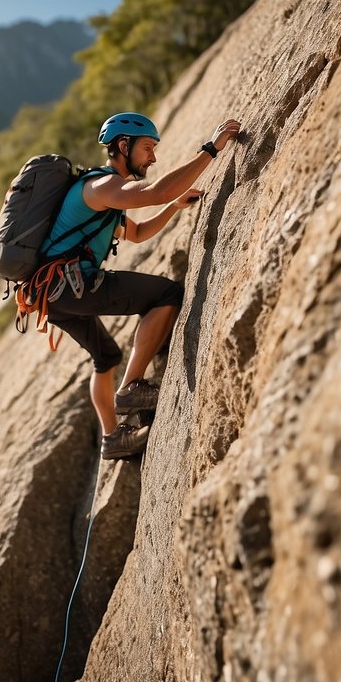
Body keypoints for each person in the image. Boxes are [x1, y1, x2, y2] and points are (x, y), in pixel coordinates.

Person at [38, 112, 241, 460]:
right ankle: (131, 387)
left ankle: (112, 438)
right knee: (166, 295)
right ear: (123, 146)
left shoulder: (104, 195)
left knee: (106, 357)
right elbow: (157, 190)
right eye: (147, 148)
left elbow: (137, 233)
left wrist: (174, 208)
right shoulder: (101, 187)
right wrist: (211, 148)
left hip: (51, 295)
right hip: (73, 285)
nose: (153, 157)